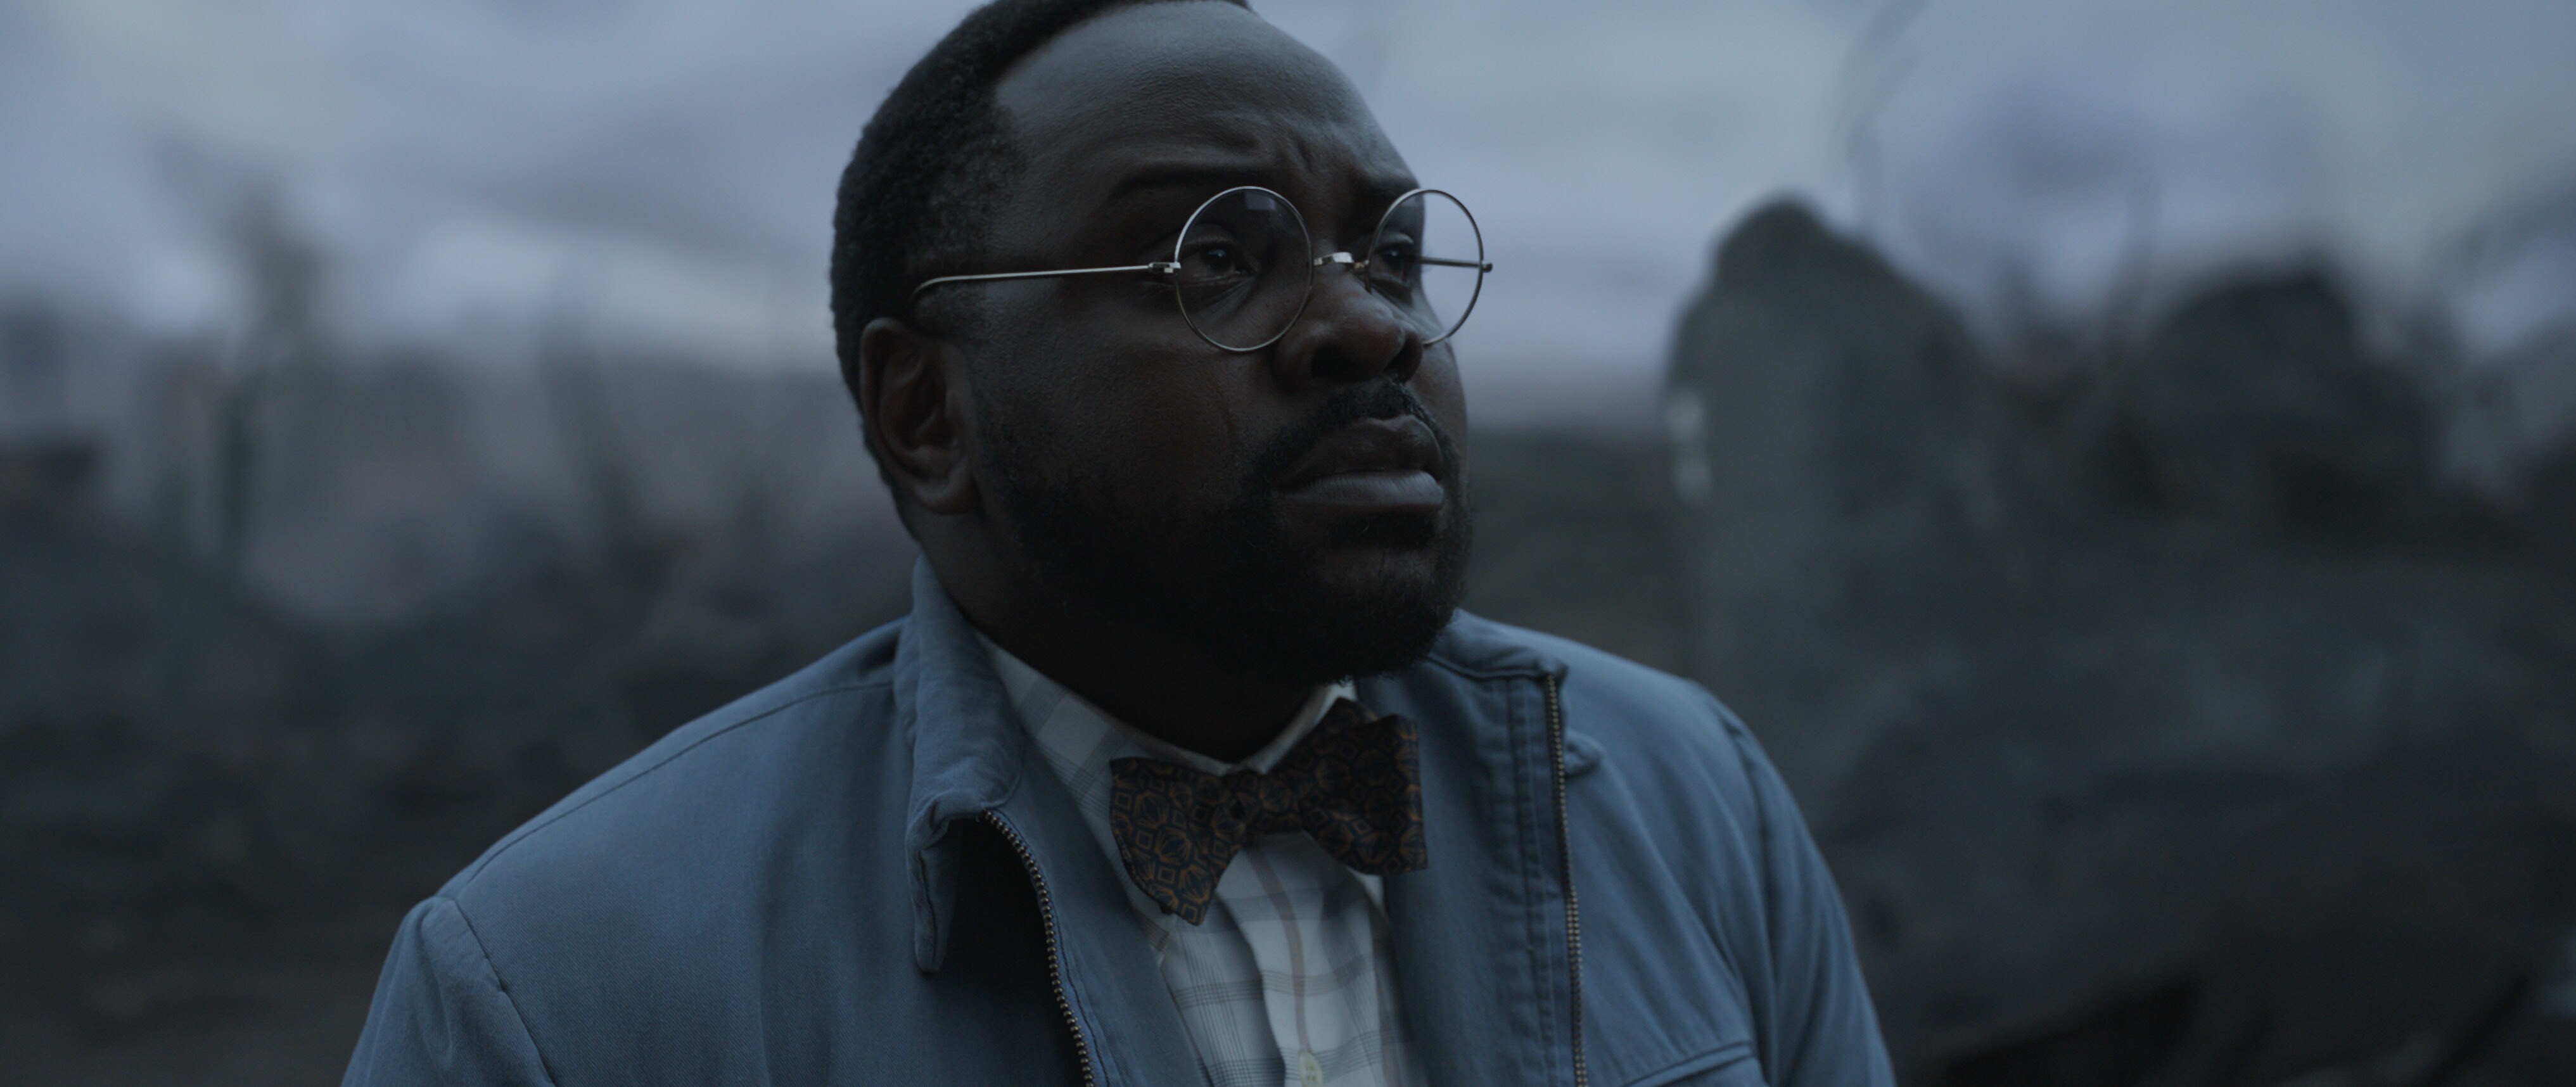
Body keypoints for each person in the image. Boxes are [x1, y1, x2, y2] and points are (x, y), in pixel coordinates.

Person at [340, 0, 1894, 1083]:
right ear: (925, 410)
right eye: (1215, 255)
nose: (1366, 324)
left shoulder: (1694, 803)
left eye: (1396, 252)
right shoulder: (552, 989)